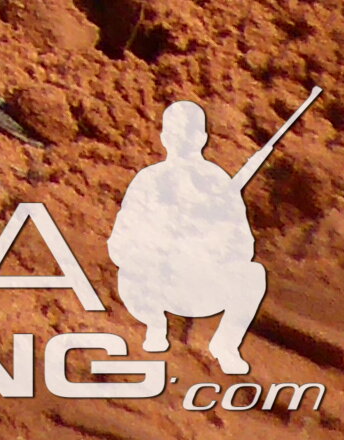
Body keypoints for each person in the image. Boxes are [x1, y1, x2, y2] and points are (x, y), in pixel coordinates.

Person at [109, 100, 271, 375]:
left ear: (202, 138)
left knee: (253, 275)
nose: (182, 140)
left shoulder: (218, 183)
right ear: (164, 137)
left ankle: (225, 345)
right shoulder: (148, 180)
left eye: (189, 134)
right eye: (175, 133)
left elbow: (243, 246)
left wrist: (207, 242)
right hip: (153, 285)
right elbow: (119, 243)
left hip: (201, 281)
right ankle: (155, 328)